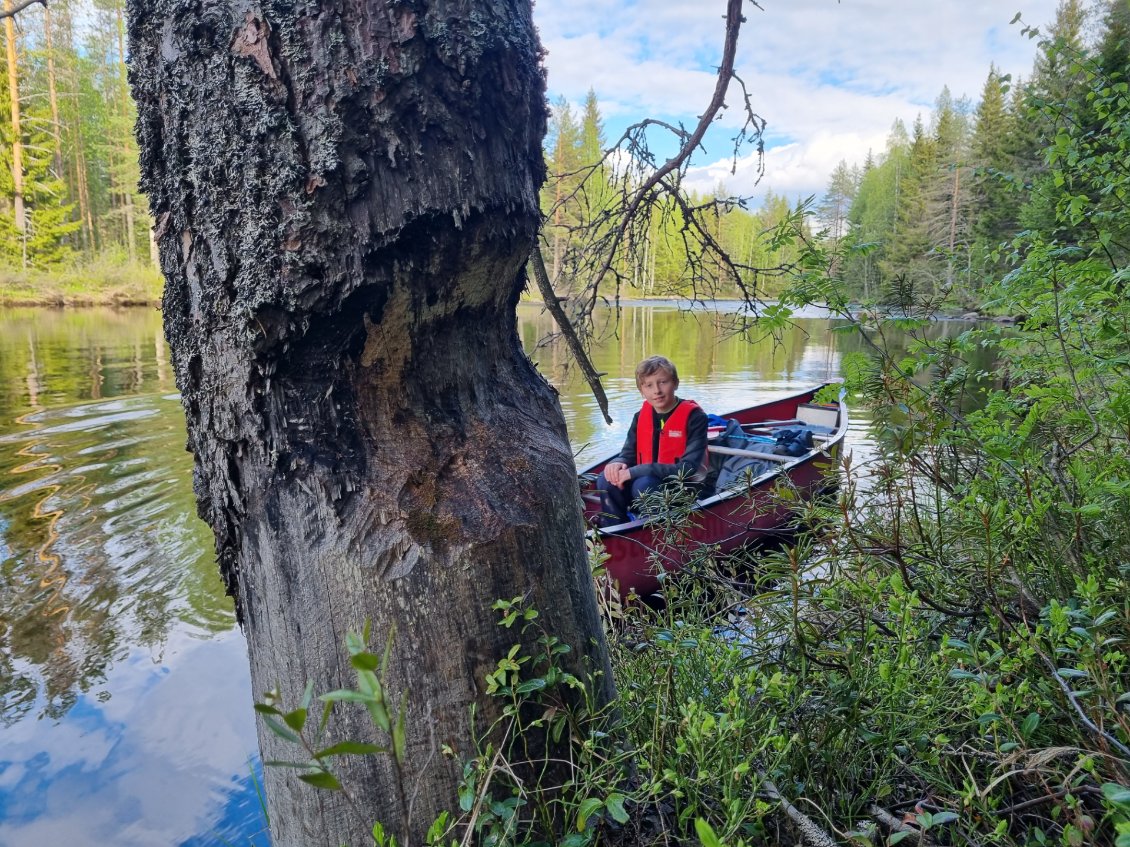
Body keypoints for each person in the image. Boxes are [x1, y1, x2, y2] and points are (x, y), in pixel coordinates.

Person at [596, 355, 709, 526]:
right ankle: (615, 530)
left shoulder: (695, 417)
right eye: (649, 385)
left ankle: (660, 533)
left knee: (643, 484)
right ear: (642, 391)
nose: (656, 391)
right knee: (606, 478)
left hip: (682, 489)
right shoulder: (640, 416)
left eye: (663, 382)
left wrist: (635, 472)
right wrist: (617, 462)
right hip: (647, 481)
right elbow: (628, 453)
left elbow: (688, 469)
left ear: (676, 383)